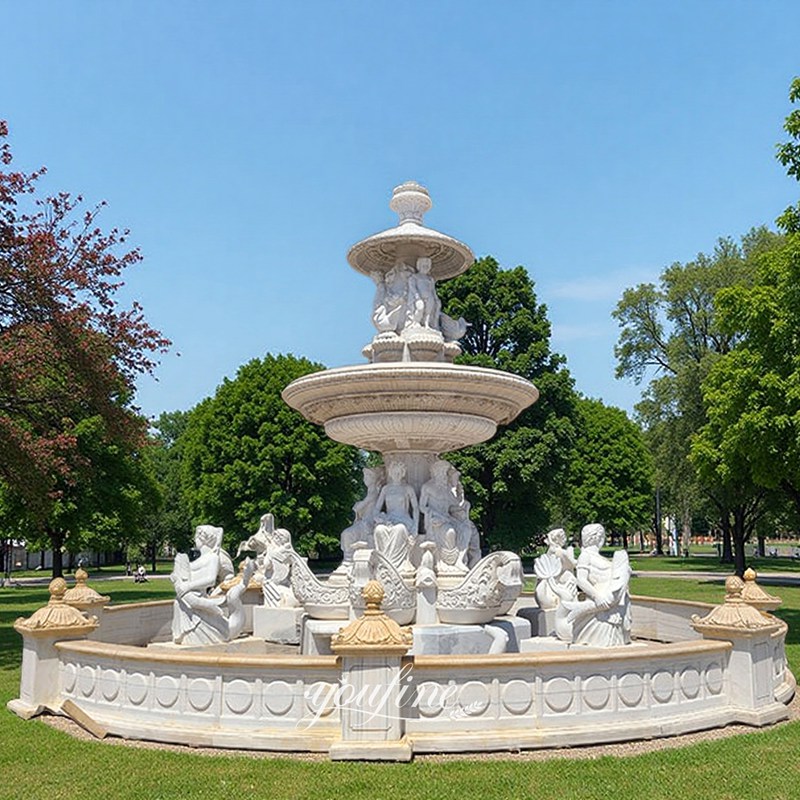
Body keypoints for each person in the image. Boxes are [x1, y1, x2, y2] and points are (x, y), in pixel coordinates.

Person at [170, 524, 254, 645]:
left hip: (196, 600)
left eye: (196, 537)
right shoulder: (201, 558)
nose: (195, 540)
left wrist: (188, 586)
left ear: (204, 539)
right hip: (186, 599)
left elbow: (210, 580)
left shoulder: (212, 557)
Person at [566, 523, 631, 647]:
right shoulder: (585, 556)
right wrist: (597, 597)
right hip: (600, 605)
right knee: (605, 640)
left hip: (611, 605)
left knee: (614, 641)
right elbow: (581, 580)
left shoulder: (598, 557)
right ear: (598, 538)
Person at [373, 461, 419, 575]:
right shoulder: (386, 489)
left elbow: (416, 508)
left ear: (403, 473)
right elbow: (376, 509)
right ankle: (384, 563)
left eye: (399, 472)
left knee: (399, 529)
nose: (396, 474)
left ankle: (397, 564)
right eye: (394, 472)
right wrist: (378, 518)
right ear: (390, 473)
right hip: (389, 520)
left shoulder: (407, 488)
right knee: (379, 530)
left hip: (404, 520)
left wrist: (415, 528)